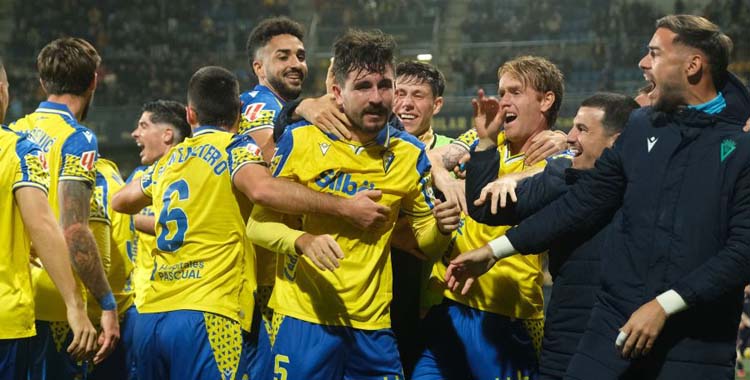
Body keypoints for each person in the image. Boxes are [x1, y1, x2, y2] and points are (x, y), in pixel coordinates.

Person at [446, 15, 750, 379]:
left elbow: (742, 251)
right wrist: (493, 251)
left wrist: (665, 305)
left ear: (693, 65)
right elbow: (581, 202)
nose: (642, 62)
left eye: (654, 52)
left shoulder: (739, 148)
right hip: (612, 329)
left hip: (695, 342)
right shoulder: (641, 128)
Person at [247, 29, 460, 379]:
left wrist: (441, 227)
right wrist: (302, 241)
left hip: (374, 328)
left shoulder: (410, 154)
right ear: (336, 92)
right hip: (304, 321)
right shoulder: (300, 141)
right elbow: (257, 224)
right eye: (362, 87)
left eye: (384, 85)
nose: (377, 97)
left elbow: (426, 242)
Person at [463, 93, 639, 379]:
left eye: (582, 129)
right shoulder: (559, 177)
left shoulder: (645, 191)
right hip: (564, 334)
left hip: (620, 337)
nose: (569, 138)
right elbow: (484, 210)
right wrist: (485, 145)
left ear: (616, 141)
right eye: (572, 127)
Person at [411, 56, 565, 380]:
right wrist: (445, 178)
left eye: (515, 92)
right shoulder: (479, 141)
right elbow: (427, 156)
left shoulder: (558, 152)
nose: (503, 101)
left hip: (510, 316)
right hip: (450, 308)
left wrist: (513, 179)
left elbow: (557, 170)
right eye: (501, 92)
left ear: (546, 100)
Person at [10, 37, 119, 376]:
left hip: (16, 300)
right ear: (93, 82)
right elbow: (74, 230)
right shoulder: (78, 139)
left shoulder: (13, 132)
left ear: (43, 83)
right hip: (59, 304)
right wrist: (107, 303)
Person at [0, 59, 97, 380]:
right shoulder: (16, 150)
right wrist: (76, 305)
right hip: (5, 318)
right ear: (3, 92)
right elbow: (43, 225)